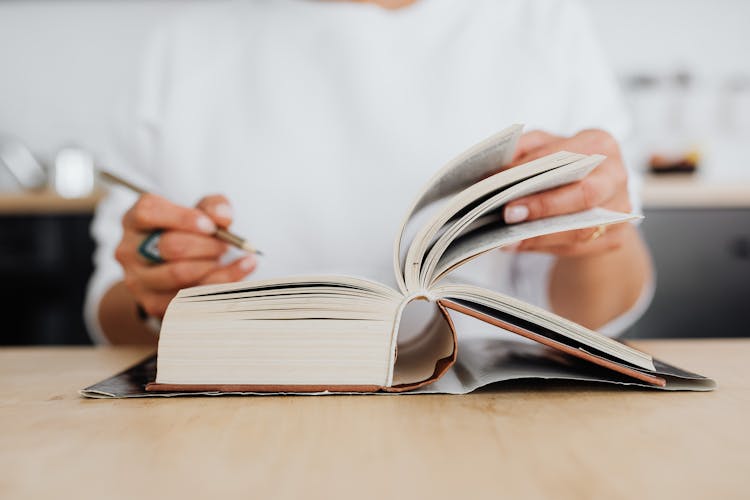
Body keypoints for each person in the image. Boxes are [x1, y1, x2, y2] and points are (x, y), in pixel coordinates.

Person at [85, 0, 653, 345]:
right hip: (238, 419)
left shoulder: (546, 25)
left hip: (492, 412)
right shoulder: (183, 44)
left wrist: (598, 234)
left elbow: (602, 309)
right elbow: (110, 311)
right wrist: (154, 296)